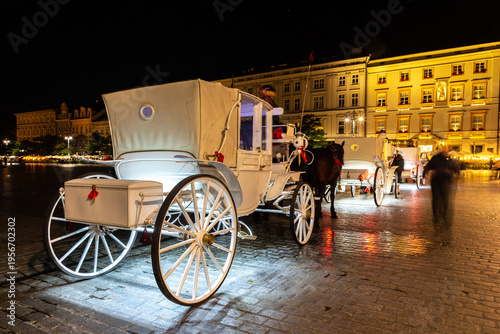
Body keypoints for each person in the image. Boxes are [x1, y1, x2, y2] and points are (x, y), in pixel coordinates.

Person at [423, 147, 459, 226]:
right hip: (436, 181)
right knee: (436, 199)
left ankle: (444, 214)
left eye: (446, 151)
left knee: (445, 199)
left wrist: (451, 172)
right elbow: (428, 167)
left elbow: (455, 169)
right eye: (444, 150)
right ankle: (436, 216)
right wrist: (425, 173)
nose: (445, 152)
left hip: (446, 182)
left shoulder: (449, 159)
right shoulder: (435, 158)